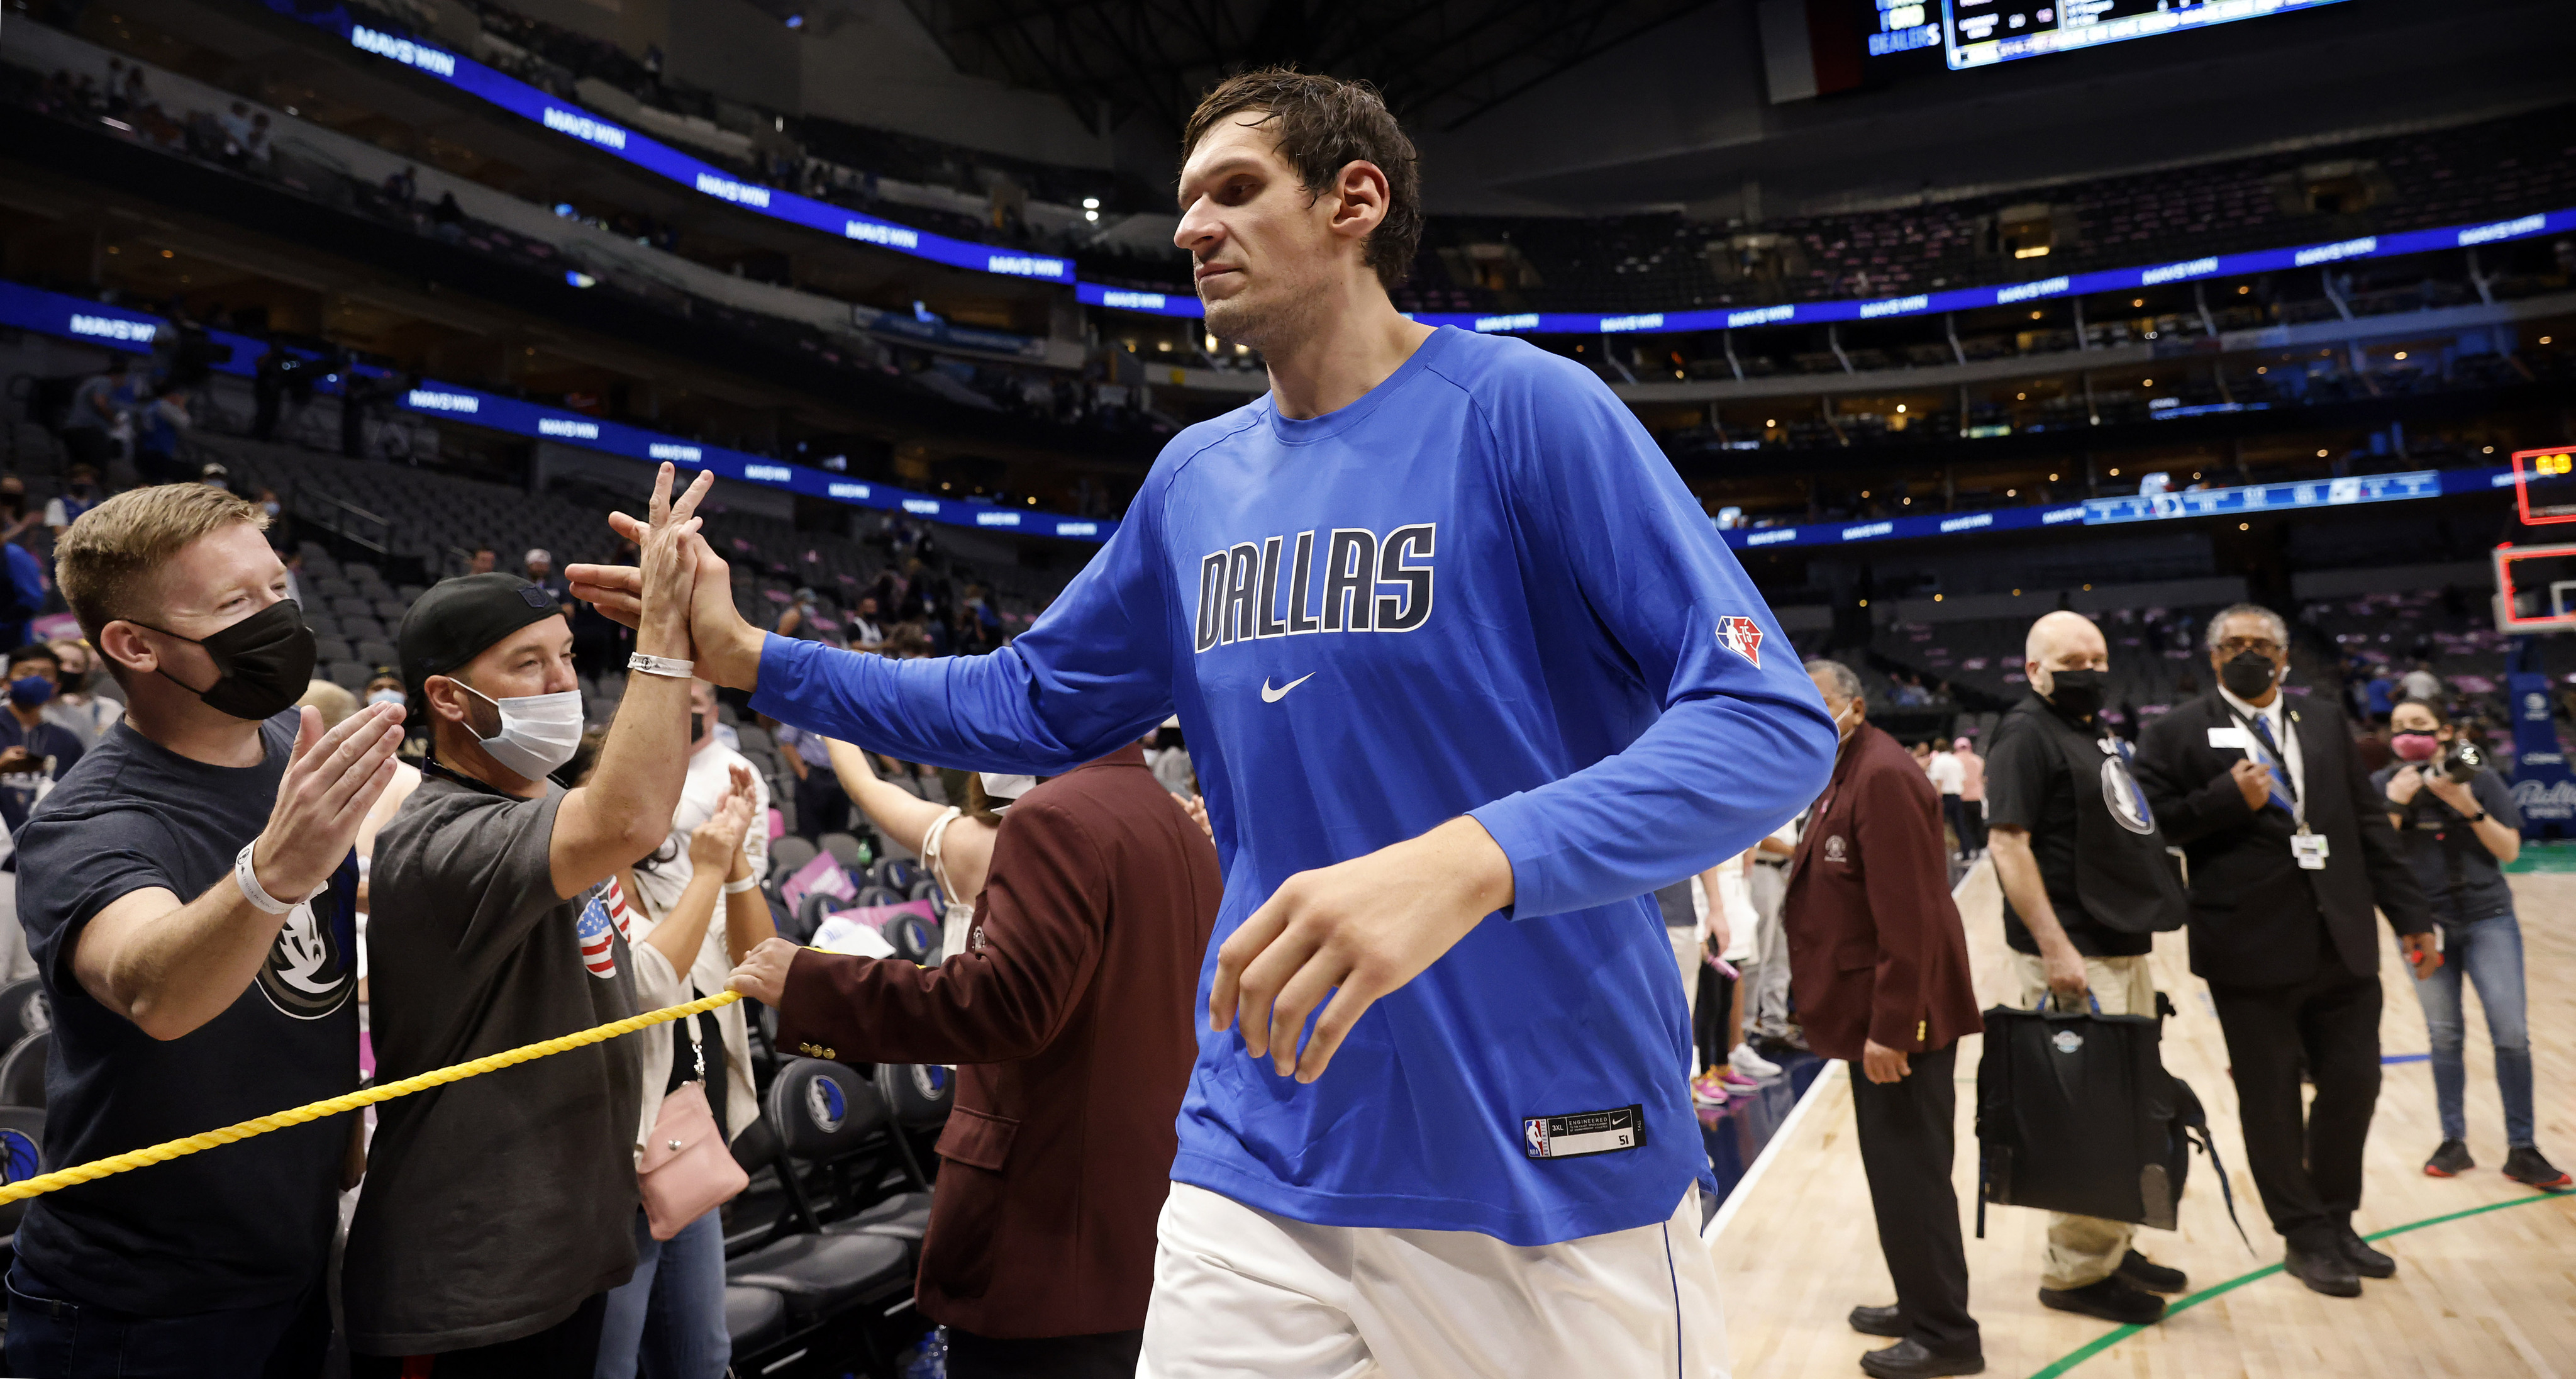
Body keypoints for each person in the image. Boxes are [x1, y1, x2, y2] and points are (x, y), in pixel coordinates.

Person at [571, 67, 1835, 1378]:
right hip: (1258, 1154)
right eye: (1184, 203)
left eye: (1234, 191)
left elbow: (1765, 724)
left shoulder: (1523, 412)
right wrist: (753, 655)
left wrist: (1470, 858)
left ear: (1355, 201)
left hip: (1532, 1150)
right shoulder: (1196, 480)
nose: (1190, 229)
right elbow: (1024, 699)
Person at [7, 483, 404, 1378]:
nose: (276, 617)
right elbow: (158, 990)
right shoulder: (91, 820)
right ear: (133, 645)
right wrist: (271, 875)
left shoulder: (285, 757)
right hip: (139, 1304)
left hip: (295, 1256)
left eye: (275, 589)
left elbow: (313, 976)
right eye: (234, 604)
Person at [343, 464, 712, 1373]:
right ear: (447, 699)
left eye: (564, 656)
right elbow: (630, 817)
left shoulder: (539, 807)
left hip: (561, 1254)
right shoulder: (444, 836)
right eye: (527, 664)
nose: (562, 681)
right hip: (470, 1284)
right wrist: (665, 628)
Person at [729, 736, 1223, 1378]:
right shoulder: (1170, 818)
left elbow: (1000, 1006)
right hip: (1139, 1214)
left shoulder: (1054, 816)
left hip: (1048, 1230)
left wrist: (811, 986)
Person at [2133, 603, 2437, 1298]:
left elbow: (2364, 822)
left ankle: (2337, 1215)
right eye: (2234, 644)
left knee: (2354, 1083)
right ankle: (2303, 1234)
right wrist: (2223, 798)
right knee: (2269, 1100)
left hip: (2342, 935)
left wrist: (2410, 913)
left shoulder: (2323, 718)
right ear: (2212, 658)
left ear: (2285, 654)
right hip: (2249, 945)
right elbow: (2150, 826)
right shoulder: (2174, 730)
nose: (2249, 653)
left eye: (2261, 643)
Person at [1982, 611, 2193, 1326]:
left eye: (2100, 657)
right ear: (2035, 669)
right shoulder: (2023, 733)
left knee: (2129, 1103)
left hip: (2115, 944)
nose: (2092, 669)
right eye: (2074, 659)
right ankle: (2074, 1274)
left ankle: (2110, 1244)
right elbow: (2008, 844)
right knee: (2090, 1113)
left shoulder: (2088, 729)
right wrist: (2056, 948)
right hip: (2073, 952)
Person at [1780, 659, 1983, 1379]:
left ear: (1855, 707)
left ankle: (1946, 1335)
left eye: (1815, 703)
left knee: (1914, 1175)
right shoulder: (1843, 768)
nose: (1799, 714)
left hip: (1901, 1021)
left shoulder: (1883, 775)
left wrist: (1894, 1027)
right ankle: (1919, 1298)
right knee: (1897, 1172)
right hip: (1877, 1012)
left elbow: (1913, 917)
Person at [597, 762, 771, 1379]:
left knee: (703, 1356)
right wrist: (706, 872)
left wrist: (735, 862)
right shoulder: (577, 896)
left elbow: (757, 960)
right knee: (612, 1364)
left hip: (690, 1148)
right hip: (619, 1172)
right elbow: (648, 981)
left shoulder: (668, 882)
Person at [2373, 700, 2568, 1190]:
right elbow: (2375, 856)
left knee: (2511, 1035)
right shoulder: (2382, 785)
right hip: (2422, 924)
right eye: (2398, 728)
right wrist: (2397, 803)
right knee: (2445, 1036)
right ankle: (2452, 1141)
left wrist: (2467, 806)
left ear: (2442, 732)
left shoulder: (2478, 777)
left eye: (2417, 725)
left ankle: (2522, 1149)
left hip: (2489, 918)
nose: (2407, 735)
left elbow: (2509, 849)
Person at [622, 679, 772, 928]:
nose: (683, 712)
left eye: (693, 703)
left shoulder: (738, 773)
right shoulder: (646, 764)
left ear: (713, 714)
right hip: (645, 907)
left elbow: (753, 864)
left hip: (704, 916)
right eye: (677, 703)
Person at [774, 718, 849, 839]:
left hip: (839, 775)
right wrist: (803, 773)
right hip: (813, 774)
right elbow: (786, 742)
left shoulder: (839, 712)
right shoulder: (801, 708)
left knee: (839, 831)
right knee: (811, 831)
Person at [44, 639, 125, 749]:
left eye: (76, 665)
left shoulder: (106, 708)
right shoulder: (26, 707)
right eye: (61, 662)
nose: (67, 669)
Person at [57, 358, 127, 472]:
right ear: (118, 376)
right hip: (88, 432)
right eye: (124, 378)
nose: (124, 383)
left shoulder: (92, 381)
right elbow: (100, 402)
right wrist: (113, 420)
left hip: (74, 431)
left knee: (78, 469)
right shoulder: (105, 381)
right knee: (95, 470)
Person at [1926, 738, 1967, 860]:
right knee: (1961, 827)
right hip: (1957, 796)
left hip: (1944, 797)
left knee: (1937, 826)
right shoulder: (1956, 760)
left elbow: (1939, 781)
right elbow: (1962, 778)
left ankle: (1936, 854)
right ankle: (1967, 853)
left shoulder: (1938, 761)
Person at [44, 464, 103, 540]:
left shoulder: (99, 506)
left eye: (87, 479)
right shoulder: (58, 504)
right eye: (79, 479)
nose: (84, 482)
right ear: (71, 481)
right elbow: (62, 536)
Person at [1952, 735, 1985, 856]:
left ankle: (1969, 849)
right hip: (1977, 797)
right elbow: (1983, 778)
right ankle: (1982, 848)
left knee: (1964, 826)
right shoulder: (1978, 760)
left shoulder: (1954, 760)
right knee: (1978, 823)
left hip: (1961, 797)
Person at [525, 547, 569, 611]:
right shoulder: (523, 586)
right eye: (538, 565)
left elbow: (568, 609)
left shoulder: (559, 586)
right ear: (529, 566)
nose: (541, 568)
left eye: (544, 565)